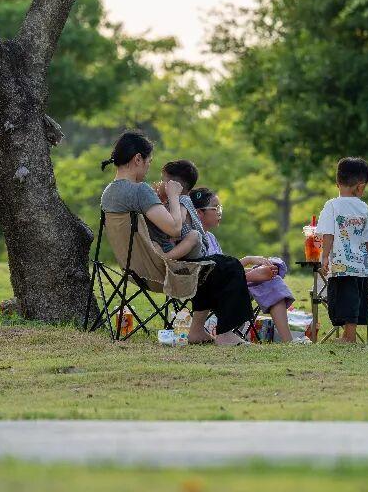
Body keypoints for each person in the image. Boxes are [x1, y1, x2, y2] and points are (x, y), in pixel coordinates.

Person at [99, 131, 253, 345]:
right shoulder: (139, 190)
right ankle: (226, 333)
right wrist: (173, 196)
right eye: (148, 162)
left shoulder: (108, 193)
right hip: (161, 269)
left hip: (133, 269)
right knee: (229, 266)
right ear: (137, 159)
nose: (148, 168)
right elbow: (174, 229)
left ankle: (196, 332)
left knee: (209, 267)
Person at [190, 187, 297, 343]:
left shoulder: (211, 237)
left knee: (272, 279)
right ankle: (226, 334)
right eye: (216, 208)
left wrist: (256, 271)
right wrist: (249, 266)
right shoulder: (193, 239)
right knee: (262, 277)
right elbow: (209, 274)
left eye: (220, 208)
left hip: (227, 281)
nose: (220, 212)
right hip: (209, 288)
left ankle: (288, 340)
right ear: (199, 213)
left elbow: (225, 269)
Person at [317, 157, 368, 343]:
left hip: (341, 265)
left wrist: (325, 257)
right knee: (355, 299)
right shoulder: (364, 207)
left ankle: (348, 337)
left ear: (337, 184)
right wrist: (366, 260)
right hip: (359, 265)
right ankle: (348, 335)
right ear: (360, 187)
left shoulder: (332, 205)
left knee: (343, 300)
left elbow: (328, 234)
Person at [152, 159, 206, 261]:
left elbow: (178, 223)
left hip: (197, 250)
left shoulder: (183, 200)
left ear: (172, 185)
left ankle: (165, 258)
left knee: (194, 235)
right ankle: (169, 257)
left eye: (163, 180)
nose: (160, 183)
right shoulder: (171, 201)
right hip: (179, 246)